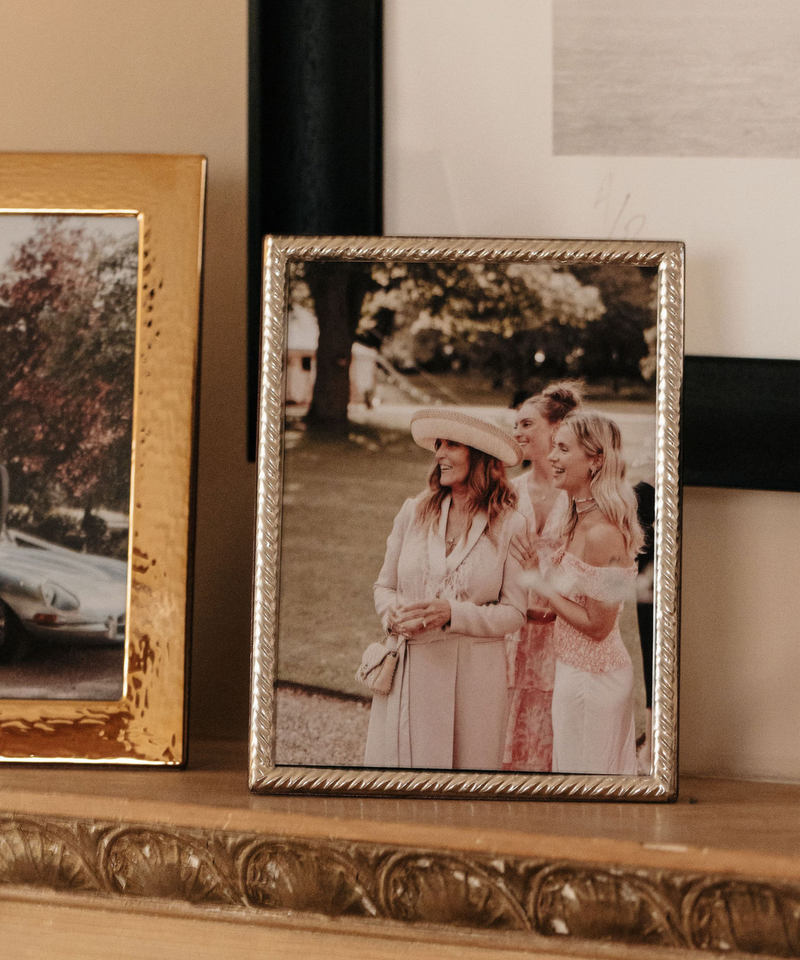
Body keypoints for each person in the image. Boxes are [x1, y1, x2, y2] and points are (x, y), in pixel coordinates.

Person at [364, 408, 527, 771]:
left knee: (465, 786)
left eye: (451, 444)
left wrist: (453, 613)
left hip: (474, 679)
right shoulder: (413, 511)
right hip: (410, 670)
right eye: (438, 444)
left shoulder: (511, 524)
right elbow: (384, 586)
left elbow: (515, 613)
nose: (439, 453)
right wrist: (391, 614)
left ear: (479, 455)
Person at [516, 411, 644, 775]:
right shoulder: (577, 519)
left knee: (587, 786)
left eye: (562, 449)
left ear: (596, 460)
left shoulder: (603, 533)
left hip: (595, 682)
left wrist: (538, 582)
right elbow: (579, 602)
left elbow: (598, 626)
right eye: (554, 447)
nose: (552, 458)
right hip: (574, 673)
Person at [503, 381, 583, 772]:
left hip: (560, 632)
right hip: (509, 630)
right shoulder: (505, 492)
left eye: (526, 424)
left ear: (556, 429)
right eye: (514, 426)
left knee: (552, 731)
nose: (516, 433)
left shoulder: (578, 495)